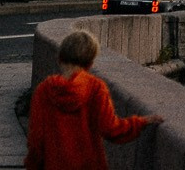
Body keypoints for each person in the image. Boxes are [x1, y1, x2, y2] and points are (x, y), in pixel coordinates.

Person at [25, 30, 162, 170]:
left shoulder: (44, 91)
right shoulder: (95, 88)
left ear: (60, 58)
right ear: (90, 64)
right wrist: (141, 122)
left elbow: (36, 140)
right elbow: (111, 130)